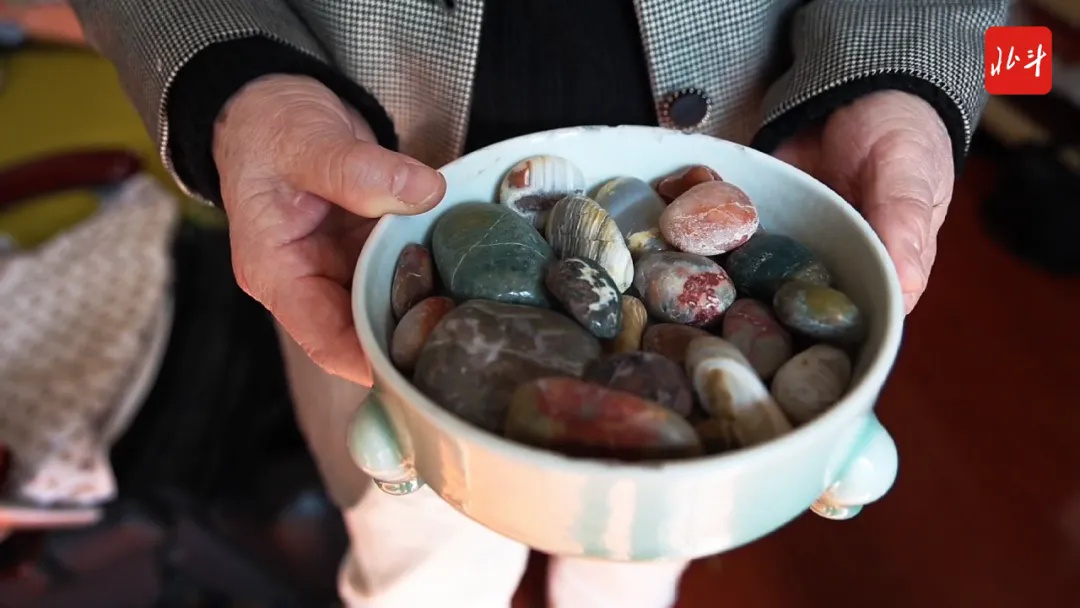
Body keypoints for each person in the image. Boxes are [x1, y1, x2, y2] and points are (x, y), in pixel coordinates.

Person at [70, 1, 1008, 606]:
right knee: (414, 565)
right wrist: (228, 76)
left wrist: (906, 71)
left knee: (635, 566)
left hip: (756, 140)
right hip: (356, 225)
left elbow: (981, 29)